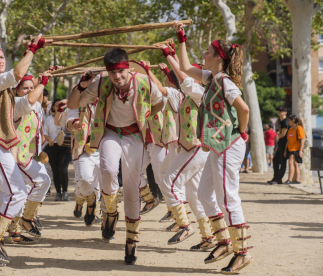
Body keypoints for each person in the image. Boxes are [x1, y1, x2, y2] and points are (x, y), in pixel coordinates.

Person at [67, 48, 164, 265]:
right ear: (108, 72)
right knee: (109, 170)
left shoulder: (144, 82)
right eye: (113, 73)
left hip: (134, 137)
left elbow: (160, 101)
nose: (117, 77)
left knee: (131, 187)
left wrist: (148, 116)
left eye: (121, 72)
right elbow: (73, 104)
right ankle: (110, 212)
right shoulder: (101, 83)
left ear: (128, 68)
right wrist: (81, 85)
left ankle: (131, 241)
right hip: (109, 132)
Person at [174, 21, 253, 274]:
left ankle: (242, 253)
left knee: (228, 198)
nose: (203, 55)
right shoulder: (211, 78)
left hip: (228, 145)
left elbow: (244, 108)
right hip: (219, 146)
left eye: (207, 52)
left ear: (219, 57)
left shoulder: (224, 82)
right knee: (204, 193)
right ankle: (224, 242)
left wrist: (241, 132)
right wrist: (181, 38)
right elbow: (185, 68)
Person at [0, 36, 51, 266]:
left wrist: (43, 82)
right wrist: (32, 50)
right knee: (17, 192)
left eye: (1, 57)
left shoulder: (6, 91)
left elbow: (25, 104)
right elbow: (18, 75)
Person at [151, 48, 215, 251]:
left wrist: (169, 54)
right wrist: (171, 57)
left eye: (192, 76)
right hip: (189, 148)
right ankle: (208, 236)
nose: (186, 78)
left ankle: (185, 225)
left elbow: (184, 78)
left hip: (195, 148)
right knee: (194, 194)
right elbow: (181, 79)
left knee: (168, 183)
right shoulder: (185, 96)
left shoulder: (200, 93)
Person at [7, 73, 52, 244]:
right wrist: (43, 83)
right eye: (24, 88)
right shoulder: (17, 103)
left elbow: (37, 101)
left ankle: (14, 231)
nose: (28, 91)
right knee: (43, 181)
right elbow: (31, 100)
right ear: (16, 90)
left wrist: (41, 80)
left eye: (31, 88)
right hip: (17, 156)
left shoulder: (35, 106)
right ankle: (27, 218)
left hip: (28, 155)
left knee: (21, 193)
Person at [43, 99, 72, 201]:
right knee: (55, 170)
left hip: (65, 146)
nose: (60, 107)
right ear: (53, 107)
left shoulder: (67, 118)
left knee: (63, 169)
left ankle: (65, 192)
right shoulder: (48, 119)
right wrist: (49, 140)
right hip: (52, 147)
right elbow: (45, 133)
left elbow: (71, 130)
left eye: (62, 105)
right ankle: (58, 193)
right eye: (57, 105)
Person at [267, 106, 289, 184]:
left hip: (285, 145)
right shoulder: (281, 121)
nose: (279, 112)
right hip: (280, 144)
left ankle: (278, 179)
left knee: (282, 163)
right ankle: (275, 178)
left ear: (285, 112)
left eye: (281, 110)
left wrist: (277, 136)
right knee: (275, 161)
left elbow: (283, 134)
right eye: (278, 110)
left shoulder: (286, 121)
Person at [284, 115, 305, 184]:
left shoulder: (299, 128)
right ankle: (297, 180)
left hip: (296, 149)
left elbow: (302, 140)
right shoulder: (290, 129)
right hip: (290, 149)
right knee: (295, 164)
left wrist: (300, 150)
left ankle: (289, 180)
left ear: (293, 121)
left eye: (289, 120)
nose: (288, 122)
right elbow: (288, 140)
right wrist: (285, 150)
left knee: (290, 163)